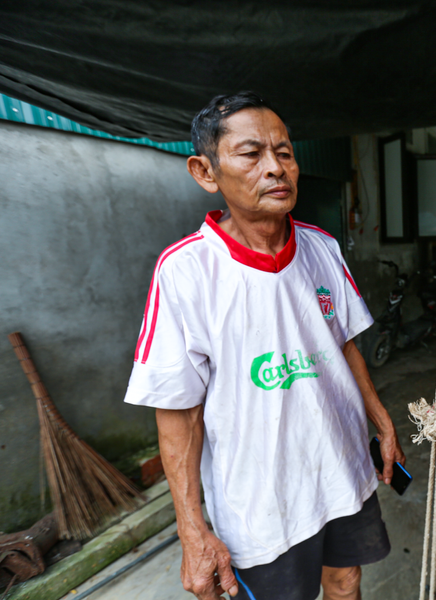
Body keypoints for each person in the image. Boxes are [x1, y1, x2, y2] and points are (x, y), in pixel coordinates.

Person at [124, 91, 405, 600]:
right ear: (206, 172)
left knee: (346, 581)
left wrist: (382, 424)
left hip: (341, 469)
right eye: (252, 155)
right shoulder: (186, 271)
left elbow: (342, 344)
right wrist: (192, 531)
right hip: (261, 500)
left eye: (285, 152)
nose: (276, 168)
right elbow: (178, 411)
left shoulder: (321, 247)